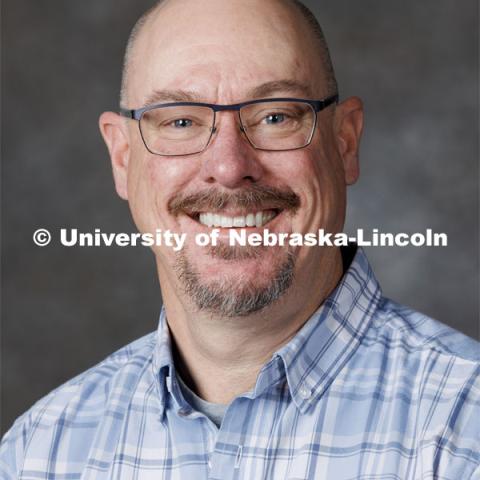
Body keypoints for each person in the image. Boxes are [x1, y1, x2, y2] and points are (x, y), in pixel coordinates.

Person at [1, 0, 479, 478]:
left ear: (344, 143)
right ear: (122, 158)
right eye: (180, 122)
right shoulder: (40, 452)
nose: (229, 168)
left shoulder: (466, 426)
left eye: (275, 116)